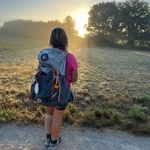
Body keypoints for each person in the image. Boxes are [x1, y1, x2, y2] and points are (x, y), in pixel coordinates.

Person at [44, 27, 78, 150]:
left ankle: (48, 140)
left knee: (49, 114)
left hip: (47, 91)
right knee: (57, 118)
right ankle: (54, 143)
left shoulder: (45, 55)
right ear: (65, 40)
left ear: (51, 39)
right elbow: (74, 79)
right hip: (61, 93)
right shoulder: (69, 57)